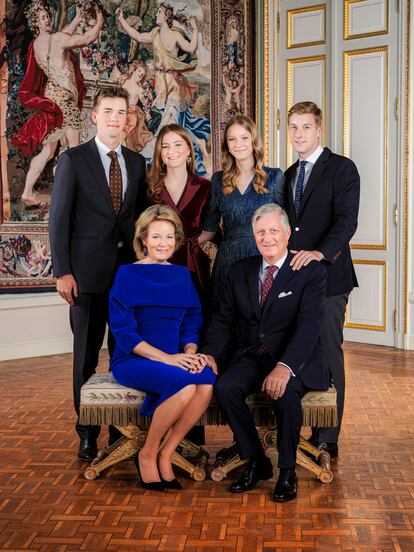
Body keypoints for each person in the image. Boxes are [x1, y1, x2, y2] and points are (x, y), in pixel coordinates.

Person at [202, 204, 330, 502]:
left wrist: (285, 367)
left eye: (273, 230)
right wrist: (209, 353)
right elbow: (223, 319)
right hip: (252, 354)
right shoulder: (240, 270)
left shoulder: (309, 271)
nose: (267, 237)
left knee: (285, 395)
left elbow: (310, 326)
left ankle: (287, 471)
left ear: (287, 234)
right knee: (225, 386)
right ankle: (257, 461)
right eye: (261, 232)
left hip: (294, 357)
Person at [48, 87, 147, 462]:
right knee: (86, 359)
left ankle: (122, 431)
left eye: (121, 113)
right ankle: (87, 432)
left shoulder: (137, 164)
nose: (114, 119)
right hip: (85, 280)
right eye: (108, 112)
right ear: (95, 115)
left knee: (123, 355)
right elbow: (58, 220)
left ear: (128, 119)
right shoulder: (74, 160)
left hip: (126, 281)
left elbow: (138, 221)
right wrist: (63, 273)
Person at [109, 205, 216, 490]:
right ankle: (147, 452)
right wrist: (169, 359)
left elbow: (192, 321)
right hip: (135, 358)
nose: (164, 244)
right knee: (185, 385)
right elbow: (124, 333)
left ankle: (167, 452)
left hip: (175, 356)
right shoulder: (126, 274)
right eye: (156, 237)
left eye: (170, 237)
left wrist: (191, 353)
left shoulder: (182, 275)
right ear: (143, 238)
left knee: (205, 381)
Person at [285, 102, 360, 458]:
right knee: (299, 351)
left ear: (319, 130)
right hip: (295, 279)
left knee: (329, 353)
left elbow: (346, 222)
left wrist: (321, 253)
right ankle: (298, 427)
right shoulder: (287, 175)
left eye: (305, 127)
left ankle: (328, 436)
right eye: (293, 127)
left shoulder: (343, 169)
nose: (298, 134)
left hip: (330, 277)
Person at [11, 0, 104, 206]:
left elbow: (61, 38)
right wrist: (99, 20)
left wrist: (77, 19)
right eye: (43, 18)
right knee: (75, 148)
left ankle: (27, 191)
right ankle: (76, 195)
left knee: (48, 151)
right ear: (36, 22)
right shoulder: (57, 39)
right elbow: (88, 37)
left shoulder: (36, 44)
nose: (48, 20)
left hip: (51, 99)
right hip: (64, 100)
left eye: (48, 16)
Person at [199, 114, 285, 307]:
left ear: (253, 140)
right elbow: (210, 228)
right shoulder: (218, 180)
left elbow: (285, 226)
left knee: (259, 318)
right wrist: (184, 245)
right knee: (225, 319)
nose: (238, 144)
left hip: (263, 256)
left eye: (244, 138)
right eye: (232, 139)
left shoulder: (274, 177)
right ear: (227, 145)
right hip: (228, 260)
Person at [116, 3, 210, 174]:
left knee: (170, 119)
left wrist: (195, 30)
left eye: (159, 12)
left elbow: (190, 48)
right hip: (161, 83)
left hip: (174, 82)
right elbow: (136, 35)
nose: (156, 15)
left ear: (166, 16)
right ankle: (195, 142)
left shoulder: (174, 35)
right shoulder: (154, 34)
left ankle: (157, 155)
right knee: (176, 123)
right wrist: (122, 19)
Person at [147, 124, 211, 295]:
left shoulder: (205, 187)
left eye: (177, 144)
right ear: (160, 153)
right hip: (160, 264)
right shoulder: (150, 188)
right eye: (165, 146)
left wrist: (197, 242)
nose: (171, 151)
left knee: (196, 319)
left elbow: (213, 229)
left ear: (189, 150)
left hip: (194, 264)